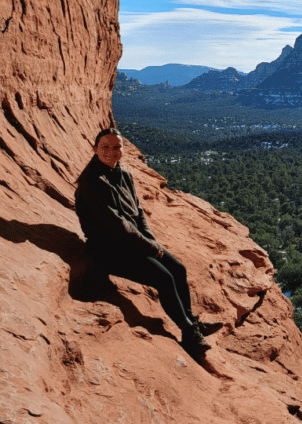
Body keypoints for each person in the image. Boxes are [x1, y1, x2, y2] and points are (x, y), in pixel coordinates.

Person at [74, 127, 219, 358]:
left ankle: (193, 322)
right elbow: (118, 225)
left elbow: (138, 213)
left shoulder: (124, 175)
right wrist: (151, 249)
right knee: (163, 277)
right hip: (108, 249)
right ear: (94, 149)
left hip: (132, 243)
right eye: (105, 147)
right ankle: (188, 333)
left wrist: (150, 241)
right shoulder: (92, 183)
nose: (112, 151)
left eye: (117, 146)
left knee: (178, 269)